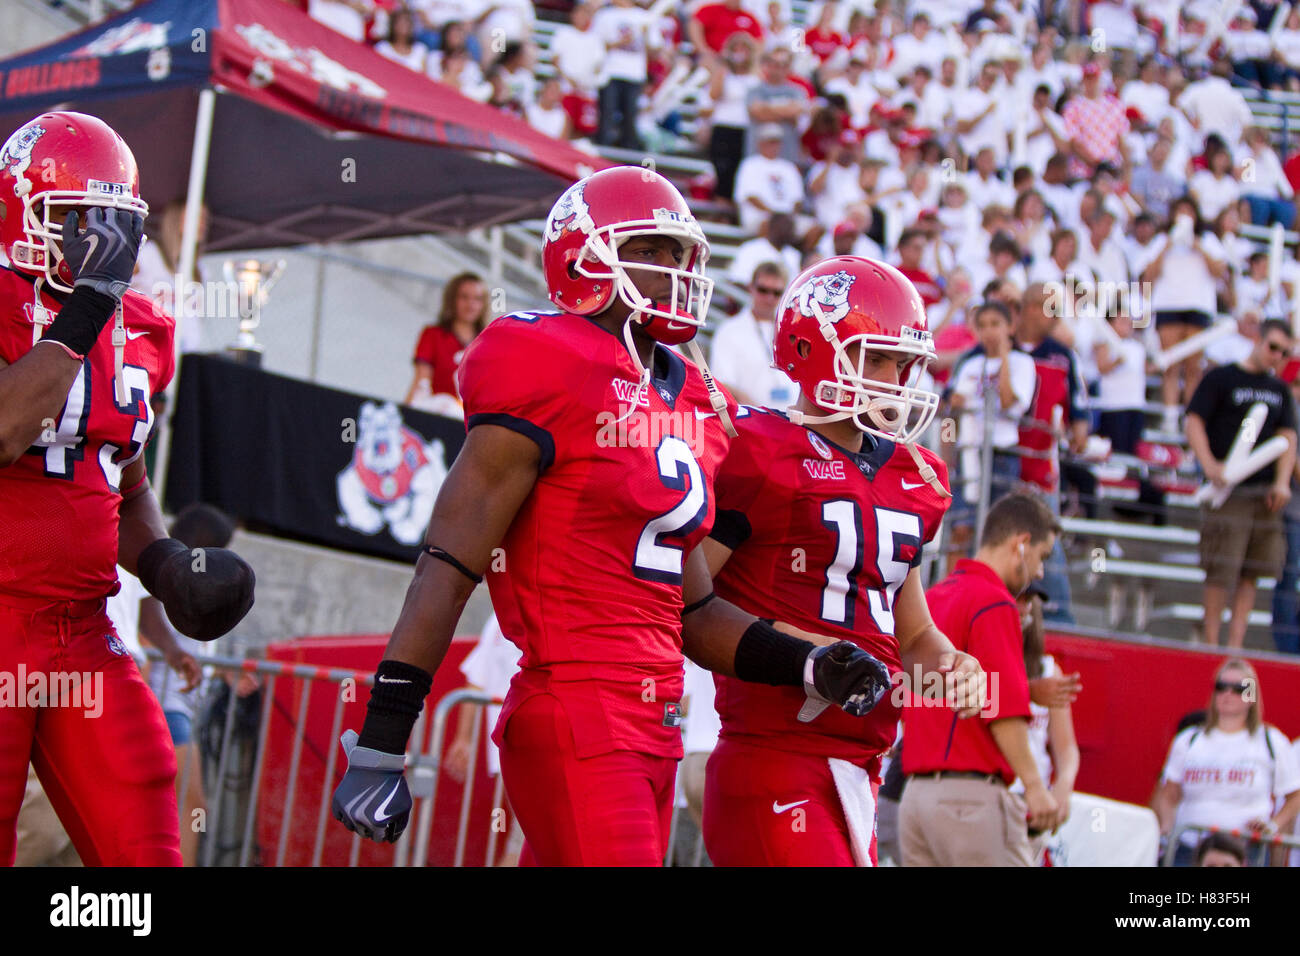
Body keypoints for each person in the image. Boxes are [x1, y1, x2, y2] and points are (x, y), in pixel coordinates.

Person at [330, 167, 930, 864]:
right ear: (583, 254)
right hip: (577, 706)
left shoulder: (693, 396)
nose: (675, 272)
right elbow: (449, 564)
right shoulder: (546, 358)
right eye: (652, 251)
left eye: (681, 256)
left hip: (656, 724)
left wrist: (809, 663)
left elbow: (696, 614)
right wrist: (383, 736)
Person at [0, 111, 255, 866]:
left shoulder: (140, 327)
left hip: (80, 628)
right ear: (19, 208)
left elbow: (125, 484)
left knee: (143, 802)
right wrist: (85, 310)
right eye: (77, 220)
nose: (98, 244)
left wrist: (168, 565)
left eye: (113, 223)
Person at [700, 257, 984, 867]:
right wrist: (799, 651)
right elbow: (681, 597)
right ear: (810, 349)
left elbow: (913, 634)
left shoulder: (917, 475)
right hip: (775, 757)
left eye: (903, 363)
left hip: (859, 767)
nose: (895, 379)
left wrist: (950, 664)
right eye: (876, 359)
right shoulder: (758, 450)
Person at [899, 492, 1061, 867]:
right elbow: (1001, 707)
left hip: (915, 800)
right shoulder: (994, 601)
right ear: (1021, 544)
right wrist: (1036, 788)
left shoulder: (931, 598)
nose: (1039, 572)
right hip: (969, 803)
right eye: (1042, 557)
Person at [1185, 319, 1298, 648]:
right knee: (1220, 572)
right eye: (1273, 347)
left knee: (1253, 572)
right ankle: (1211, 643)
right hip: (1227, 492)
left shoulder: (1279, 390)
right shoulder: (1222, 378)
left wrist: (1281, 482)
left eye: (1285, 352)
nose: (1277, 356)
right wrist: (1208, 464)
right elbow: (1194, 421)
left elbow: (1287, 437)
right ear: (1258, 341)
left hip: (1264, 495)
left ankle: (1234, 645)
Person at [1153, 658, 1300, 866]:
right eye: (1221, 687)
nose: (1227, 694)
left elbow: (1294, 796)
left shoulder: (1271, 741)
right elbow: (1168, 794)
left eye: (1238, 688)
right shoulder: (1189, 739)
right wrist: (1167, 831)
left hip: (1246, 850)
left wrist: (1272, 826)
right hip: (1189, 848)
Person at [945, 302, 1039, 571]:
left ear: (1010, 327)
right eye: (983, 325)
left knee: (999, 532)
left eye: (995, 324)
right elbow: (952, 407)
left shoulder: (1023, 362)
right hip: (970, 451)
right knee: (961, 527)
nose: (989, 332)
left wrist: (1005, 355)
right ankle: (953, 592)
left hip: (1002, 452)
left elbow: (1010, 403)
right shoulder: (970, 364)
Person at [1137, 196, 1229, 431]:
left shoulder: (1207, 239)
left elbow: (1219, 271)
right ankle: (1169, 416)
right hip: (1169, 304)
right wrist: (1169, 244)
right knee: (1171, 364)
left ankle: (1190, 418)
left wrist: (1195, 244)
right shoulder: (1161, 240)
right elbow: (1148, 275)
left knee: (1193, 367)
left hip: (1198, 306)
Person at [1013, 582, 1080, 866]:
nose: (1022, 610)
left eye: (1028, 605)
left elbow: (1067, 749)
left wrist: (1062, 788)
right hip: (993, 793)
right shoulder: (979, 662)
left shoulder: (1048, 669)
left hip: (1033, 802)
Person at [708, 261, 795, 408]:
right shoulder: (729, 330)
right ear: (751, 288)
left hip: (793, 420)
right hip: (750, 420)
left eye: (776, 293)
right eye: (763, 290)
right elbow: (723, 383)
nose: (769, 298)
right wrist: (760, 416)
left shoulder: (793, 329)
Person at [405, 272, 489, 408]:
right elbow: (421, 382)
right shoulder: (432, 334)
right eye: (464, 297)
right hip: (435, 412)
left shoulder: (489, 343)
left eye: (478, 299)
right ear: (452, 299)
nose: (471, 304)